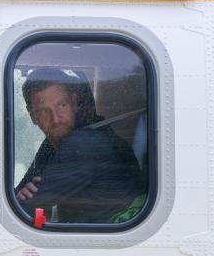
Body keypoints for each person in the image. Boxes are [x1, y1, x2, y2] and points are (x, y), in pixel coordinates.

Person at [15, 68, 140, 224]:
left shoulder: (85, 142)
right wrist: (21, 196)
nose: (55, 119)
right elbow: (18, 198)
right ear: (33, 116)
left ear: (74, 103)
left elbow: (20, 209)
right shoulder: (51, 145)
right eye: (44, 111)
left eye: (61, 105)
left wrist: (22, 199)